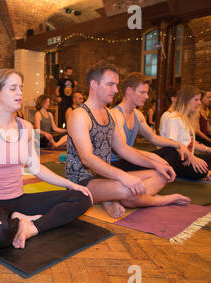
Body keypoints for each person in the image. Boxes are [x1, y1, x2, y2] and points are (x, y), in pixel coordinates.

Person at [0, 69, 92, 249]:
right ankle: (17, 219)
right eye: (12, 88)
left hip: (18, 198)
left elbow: (36, 167)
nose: (19, 93)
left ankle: (31, 226)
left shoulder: (26, 127)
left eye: (20, 87)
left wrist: (71, 184)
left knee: (82, 197)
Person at [66, 61, 190, 219]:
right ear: (94, 84)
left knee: (161, 175)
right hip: (82, 182)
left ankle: (113, 198)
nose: (116, 90)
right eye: (110, 84)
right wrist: (122, 176)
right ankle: (157, 200)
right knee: (127, 188)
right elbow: (87, 158)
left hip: (106, 177)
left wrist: (155, 164)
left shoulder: (108, 114)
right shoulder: (79, 115)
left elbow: (123, 149)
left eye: (116, 85)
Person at [109, 72, 194, 179]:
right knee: (168, 156)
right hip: (117, 163)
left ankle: (196, 172)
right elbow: (123, 150)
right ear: (129, 91)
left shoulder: (138, 115)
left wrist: (179, 145)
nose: (147, 97)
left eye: (147, 93)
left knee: (171, 151)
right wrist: (152, 158)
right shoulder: (116, 115)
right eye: (143, 92)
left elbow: (153, 137)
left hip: (130, 159)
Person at [161, 85, 211, 180]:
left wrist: (207, 149)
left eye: (199, 100)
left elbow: (189, 144)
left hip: (185, 158)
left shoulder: (186, 119)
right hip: (176, 160)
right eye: (196, 100)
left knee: (205, 165)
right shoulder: (174, 118)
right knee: (203, 170)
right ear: (186, 100)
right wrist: (191, 158)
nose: (199, 103)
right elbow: (172, 146)